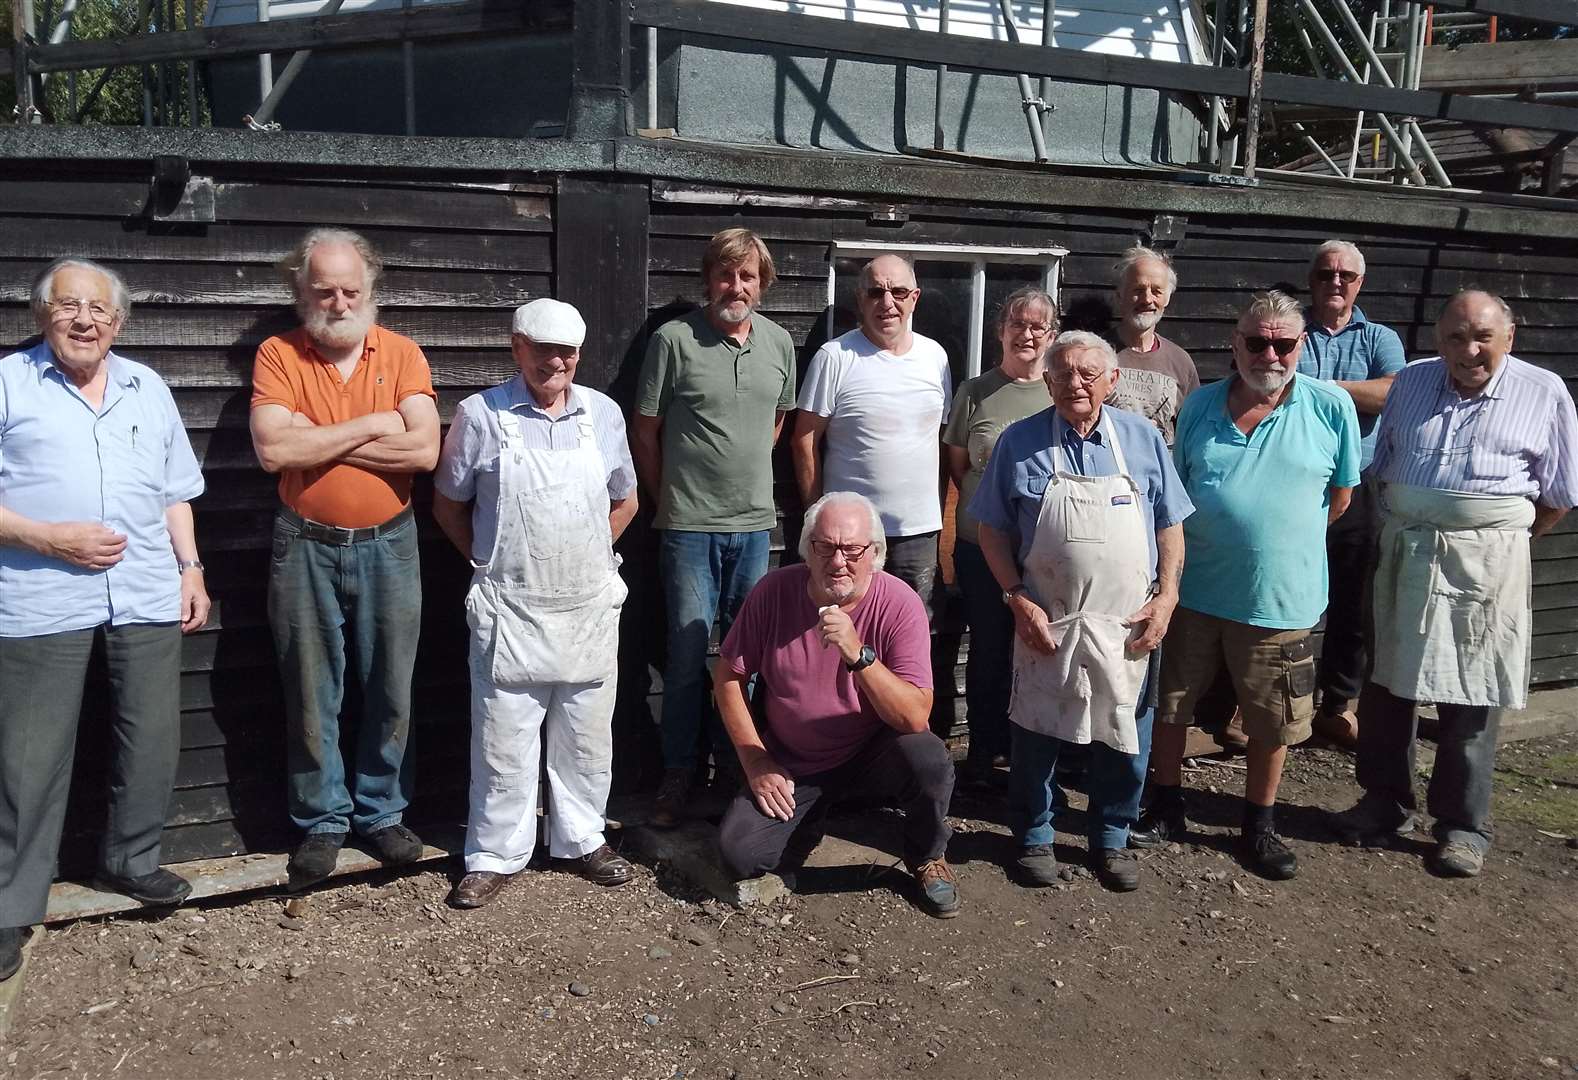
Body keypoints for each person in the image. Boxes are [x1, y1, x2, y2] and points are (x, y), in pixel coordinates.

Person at [1, 259, 210, 980]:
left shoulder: (145, 387)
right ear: (41, 314)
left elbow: (175, 491)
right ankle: (8, 906)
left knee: (149, 736)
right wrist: (47, 538)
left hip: (147, 591)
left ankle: (131, 861)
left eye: (99, 309)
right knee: (28, 760)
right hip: (38, 596)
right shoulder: (7, 383)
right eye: (69, 306)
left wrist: (191, 568)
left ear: (118, 322)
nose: (84, 319)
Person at [1331, 291, 1578, 878]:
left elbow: (1559, 495)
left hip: (1488, 560)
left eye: (1482, 338)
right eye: (1455, 338)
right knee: (1388, 682)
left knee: (1472, 693)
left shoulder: (1544, 393)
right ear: (1438, 340)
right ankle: (1385, 801)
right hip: (1406, 548)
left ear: (1508, 338)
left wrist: (1495, 539)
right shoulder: (1412, 384)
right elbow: (1382, 464)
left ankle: (1463, 824)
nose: (1468, 351)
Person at [1136, 290, 1360, 880]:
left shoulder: (1331, 406)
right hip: (1194, 592)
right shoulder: (1202, 406)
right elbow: (1175, 496)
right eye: (1256, 341)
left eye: (1282, 343)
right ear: (1235, 344)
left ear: (1300, 347)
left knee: (1273, 719)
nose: (1269, 353)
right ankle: (1165, 803)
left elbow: (1339, 498)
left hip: (1279, 600)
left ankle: (1258, 824)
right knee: (1172, 706)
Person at [249, 228, 440, 891]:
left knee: (390, 682)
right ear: (300, 289)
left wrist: (316, 439)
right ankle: (322, 820)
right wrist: (372, 425)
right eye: (323, 288)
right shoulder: (279, 353)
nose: (337, 300)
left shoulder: (403, 354)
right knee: (310, 684)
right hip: (304, 543)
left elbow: (423, 453)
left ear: (371, 290)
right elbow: (274, 452)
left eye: (350, 289)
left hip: (390, 541)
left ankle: (381, 810)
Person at [433, 298, 638, 908]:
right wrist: (487, 564)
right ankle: (495, 854)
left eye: (568, 352)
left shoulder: (602, 414)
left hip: (586, 606)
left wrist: (592, 559)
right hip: (511, 606)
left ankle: (583, 838)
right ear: (517, 346)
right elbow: (448, 503)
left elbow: (624, 500)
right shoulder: (480, 416)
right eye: (544, 349)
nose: (557, 362)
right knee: (502, 738)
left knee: (586, 734)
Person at [971, 333, 1191, 892]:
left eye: (1090, 373)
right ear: (1048, 381)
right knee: (1037, 729)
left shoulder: (1143, 440)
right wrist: (1017, 596)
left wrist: (1165, 598)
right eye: (1064, 374)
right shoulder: (1018, 443)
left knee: (1124, 730)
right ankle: (1034, 834)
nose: (1077, 384)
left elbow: (1170, 524)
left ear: (1112, 380)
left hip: (1127, 625)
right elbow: (991, 530)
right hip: (1048, 619)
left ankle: (1112, 837)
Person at [714, 492, 960, 918]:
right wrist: (756, 761)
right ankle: (810, 816)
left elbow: (915, 714)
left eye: (852, 549)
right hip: (796, 760)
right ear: (807, 550)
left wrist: (858, 654)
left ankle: (927, 855)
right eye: (824, 547)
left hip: (871, 754)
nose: (838, 560)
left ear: (875, 553)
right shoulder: (775, 591)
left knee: (929, 757)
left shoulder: (899, 603)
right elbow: (728, 677)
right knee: (741, 853)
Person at [632, 229, 797, 829]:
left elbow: (778, 420)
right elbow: (645, 430)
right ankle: (679, 771)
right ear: (709, 279)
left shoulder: (779, 343)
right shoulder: (673, 341)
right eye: (726, 275)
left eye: (748, 276)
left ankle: (738, 765)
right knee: (684, 654)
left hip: (754, 527)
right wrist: (667, 497)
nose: (736, 286)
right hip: (688, 527)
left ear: (762, 282)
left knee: (747, 656)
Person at [943, 286, 1059, 788]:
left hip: (1044, 553)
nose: (1027, 334)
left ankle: (1028, 754)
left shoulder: (1061, 390)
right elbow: (958, 471)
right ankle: (984, 753)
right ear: (1001, 331)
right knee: (989, 651)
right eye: (1018, 324)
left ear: (1051, 336)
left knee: (1035, 651)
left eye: (1038, 326)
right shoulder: (974, 392)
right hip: (980, 550)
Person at [791, 255, 951, 617]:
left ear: (915, 297)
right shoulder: (835, 357)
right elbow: (804, 440)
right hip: (849, 538)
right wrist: (816, 515)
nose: (887, 302)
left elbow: (941, 440)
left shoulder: (936, 357)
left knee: (911, 627)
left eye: (898, 291)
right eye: (876, 292)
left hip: (917, 532)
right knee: (843, 626)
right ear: (860, 299)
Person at [1301, 241, 1406, 748]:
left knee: (1352, 597)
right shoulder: (1290, 329)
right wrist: (1353, 391)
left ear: (1360, 283)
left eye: (1346, 275)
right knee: (1283, 591)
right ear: (1312, 279)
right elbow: (1265, 384)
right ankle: (1278, 701)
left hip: (1359, 482)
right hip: (1294, 481)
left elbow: (1392, 392)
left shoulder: (1378, 337)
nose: (1335, 283)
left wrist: (1317, 389)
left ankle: (1337, 704)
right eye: (1326, 274)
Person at [1106, 246, 1201, 447]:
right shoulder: (1097, 354)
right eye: (1138, 290)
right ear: (1119, 296)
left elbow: (1193, 431)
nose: (1147, 299)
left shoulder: (1180, 362)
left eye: (1156, 291)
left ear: (1167, 298)